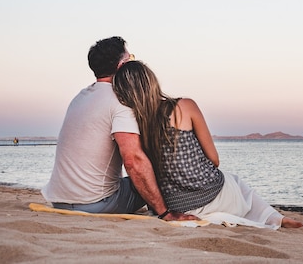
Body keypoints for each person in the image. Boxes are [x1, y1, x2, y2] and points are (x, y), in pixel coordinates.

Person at [112, 60, 303, 229]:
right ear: (152, 82)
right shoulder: (183, 107)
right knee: (236, 183)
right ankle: (276, 219)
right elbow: (214, 159)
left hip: (171, 206)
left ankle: (274, 218)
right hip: (210, 195)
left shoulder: (130, 126)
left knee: (234, 186)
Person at [42, 37, 195, 222]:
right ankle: (178, 208)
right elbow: (133, 161)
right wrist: (165, 214)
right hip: (94, 204)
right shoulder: (120, 101)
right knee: (155, 173)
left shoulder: (80, 97)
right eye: (130, 58)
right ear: (123, 66)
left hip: (59, 200)